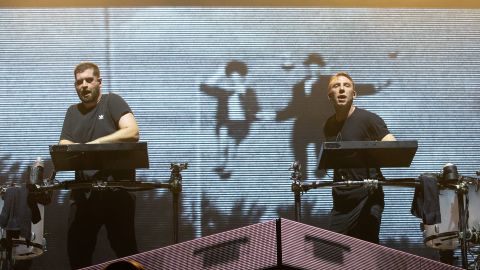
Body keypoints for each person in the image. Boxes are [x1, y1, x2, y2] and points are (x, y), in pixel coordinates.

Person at [59, 62, 140, 269]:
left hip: (116, 193)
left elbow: (132, 132)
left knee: (126, 253)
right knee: (77, 254)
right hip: (83, 195)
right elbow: (64, 145)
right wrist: (79, 147)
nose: (84, 85)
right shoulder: (72, 112)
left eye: (88, 80)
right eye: (79, 82)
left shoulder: (112, 101)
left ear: (99, 82)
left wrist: (93, 145)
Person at [323, 72, 396, 244]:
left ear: (354, 94)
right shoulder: (328, 125)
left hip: (367, 197)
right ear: (330, 96)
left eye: (346, 86)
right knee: (335, 251)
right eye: (336, 86)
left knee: (366, 250)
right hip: (341, 201)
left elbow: (392, 144)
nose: (341, 89)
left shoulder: (368, 119)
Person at [200, 60, 259, 179]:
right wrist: (219, 73)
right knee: (224, 130)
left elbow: (256, 109)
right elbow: (205, 88)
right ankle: (223, 161)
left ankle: (228, 165)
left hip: (241, 125)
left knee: (231, 142)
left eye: (237, 77)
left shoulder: (249, 92)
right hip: (226, 123)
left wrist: (256, 114)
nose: (235, 80)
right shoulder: (224, 92)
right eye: (232, 78)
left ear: (243, 78)